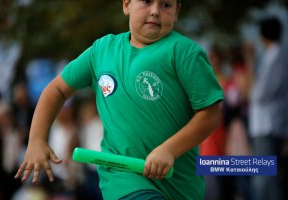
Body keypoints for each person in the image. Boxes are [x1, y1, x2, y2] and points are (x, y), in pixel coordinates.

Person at [15, 0, 224, 199]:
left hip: (180, 185)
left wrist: (169, 150)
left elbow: (210, 114)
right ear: (126, 5)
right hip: (122, 179)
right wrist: (36, 140)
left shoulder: (186, 53)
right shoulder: (101, 50)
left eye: (166, 5)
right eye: (146, 2)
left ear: (177, 12)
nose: (155, 11)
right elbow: (57, 90)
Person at [244, 16, 288, 200]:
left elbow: (258, 95)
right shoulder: (276, 55)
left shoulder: (275, 56)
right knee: (271, 177)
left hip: (267, 126)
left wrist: (249, 60)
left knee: (264, 180)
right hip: (270, 125)